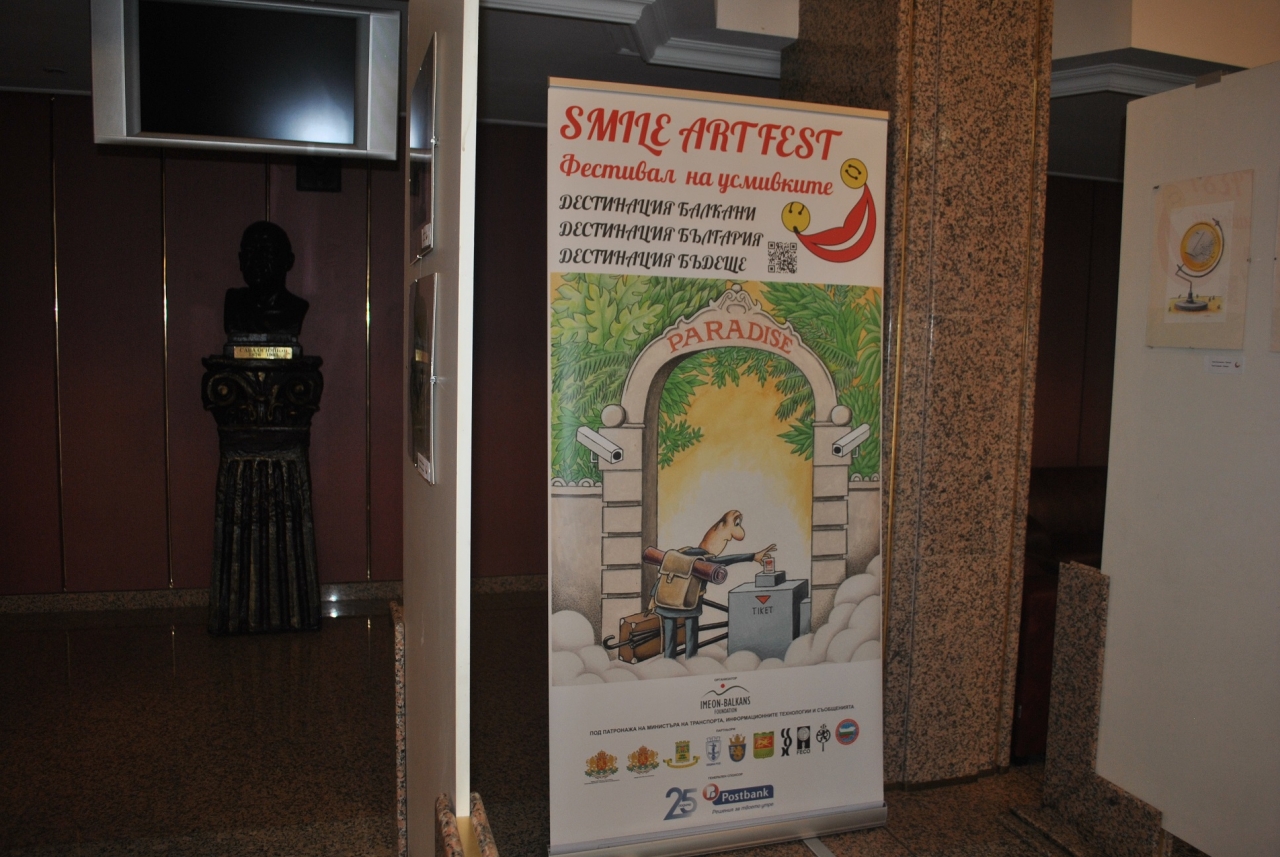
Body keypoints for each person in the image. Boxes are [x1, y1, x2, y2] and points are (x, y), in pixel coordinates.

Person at [652, 510, 775, 659]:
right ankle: (691, 659)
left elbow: (664, 575)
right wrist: (753, 556)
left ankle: (669, 660)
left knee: (670, 636)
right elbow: (727, 560)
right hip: (689, 604)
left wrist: (653, 597)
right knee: (691, 633)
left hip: (666, 602)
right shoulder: (704, 559)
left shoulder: (683, 552)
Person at [224, 221, 309, 340]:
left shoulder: (295, 308)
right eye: (249, 252)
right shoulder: (234, 304)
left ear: (288, 261)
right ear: (241, 260)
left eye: (267, 252)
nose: (256, 260)